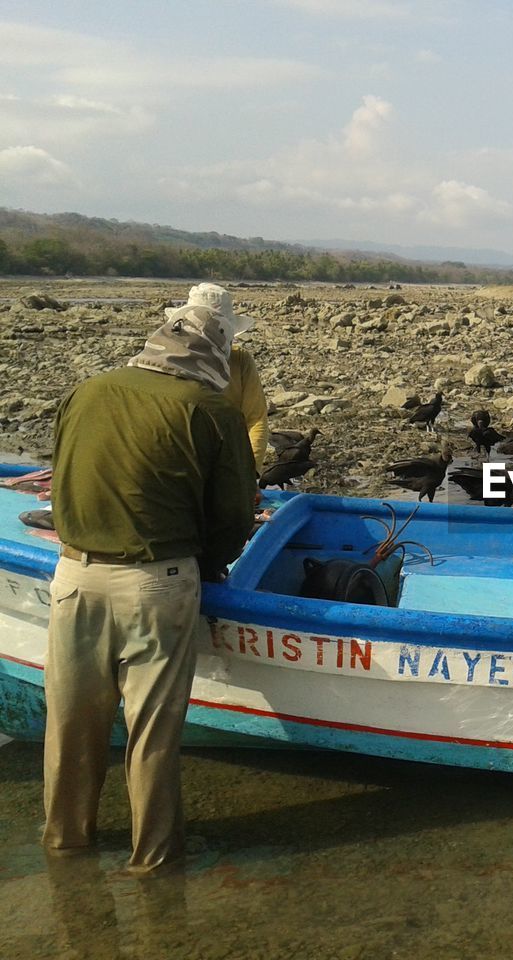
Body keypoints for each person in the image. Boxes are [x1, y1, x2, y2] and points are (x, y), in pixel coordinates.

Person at [44, 295, 257, 873]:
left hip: (73, 577)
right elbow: (235, 517)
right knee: (152, 735)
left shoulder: (86, 391)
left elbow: (63, 478)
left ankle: (65, 852)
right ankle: (155, 868)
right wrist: (210, 565)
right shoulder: (214, 414)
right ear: (214, 351)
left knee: (69, 729)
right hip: (158, 586)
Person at [168, 283, 269, 473]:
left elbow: (256, 420)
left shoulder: (240, 362)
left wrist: (250, 472)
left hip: (227, 462)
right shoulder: (170, 361)